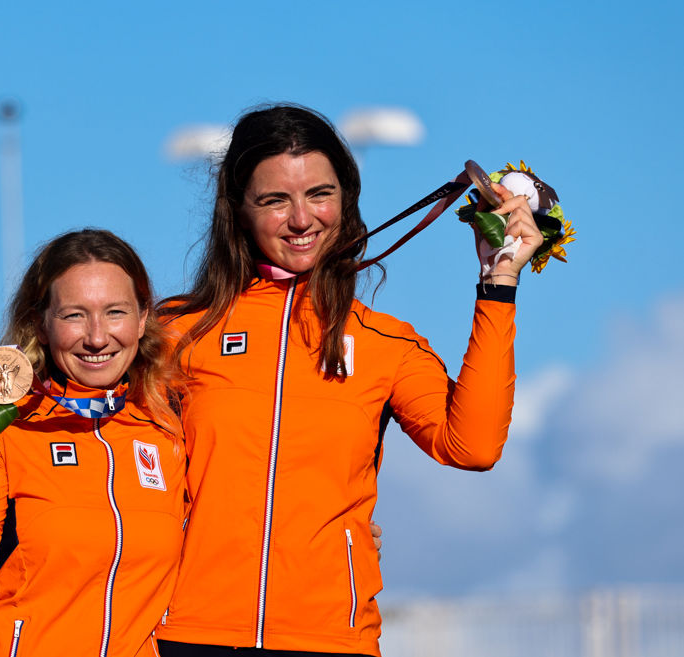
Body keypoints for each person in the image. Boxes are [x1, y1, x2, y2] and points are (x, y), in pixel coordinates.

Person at [152, 104, 542, 657]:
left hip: (332, 639)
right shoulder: (174, 331)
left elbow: (472, 446)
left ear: (347, 200)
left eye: (319, 194)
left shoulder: (385, 344)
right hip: (184, 633)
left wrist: (498, 280)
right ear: (238, 210)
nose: (301, 219)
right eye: (273, 200)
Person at [0, 229, 187, 657]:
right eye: (74, 315)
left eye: (115, 312)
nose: (98, 337)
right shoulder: (5, 426)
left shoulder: (166, 428)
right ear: (40, 324)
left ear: (143, 319)